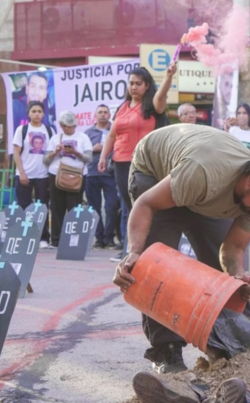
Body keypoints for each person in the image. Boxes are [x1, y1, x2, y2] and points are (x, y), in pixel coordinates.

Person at [111, 125, 250, 403]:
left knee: (225, 280)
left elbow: (231, 250)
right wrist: (134, 252)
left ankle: (237, 348)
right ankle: (167, 355)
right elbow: (146, 204)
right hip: (158, 173)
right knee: (157, 267)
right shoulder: (204, 173)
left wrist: (238, 277)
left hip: (204, 192)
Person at [98, 65, 176, 262]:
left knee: (142, 205)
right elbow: (112, 135)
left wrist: (168, 77)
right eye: (131, 83)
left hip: (143, 164)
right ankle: (129, 248)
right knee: (127, 206)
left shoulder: (152, 106)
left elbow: (161, 96)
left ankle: (142, 250)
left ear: (146, 85)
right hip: (120, 162)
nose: (133, 87)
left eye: (138, 84)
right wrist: (102, 157)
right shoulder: (122, 108)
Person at [45, 111, 93, 247]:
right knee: (56, 208)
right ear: (61, 125)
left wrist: (76, 152)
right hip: (56, 174)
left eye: (71, 126)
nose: (69, 129)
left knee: (74, 208)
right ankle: (56, 240)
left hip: (77, 175)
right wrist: (55, 151)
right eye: (66, 126)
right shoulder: (55, 138)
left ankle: (73, 240)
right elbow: (46, 160)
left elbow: (89, 158)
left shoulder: (83, 137)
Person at [13, 100, 54, 246]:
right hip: (25, 174)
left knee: (42, 207)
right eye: (34, 111)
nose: (37, 114)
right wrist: (22, 173)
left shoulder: (49, 131)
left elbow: (52, 153)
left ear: (43, 114)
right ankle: (24, 236)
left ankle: (43, 237)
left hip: (43, 175)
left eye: (39, 111)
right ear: (29, 113)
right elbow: (16, 153)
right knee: (24, 207)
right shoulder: (22, 130)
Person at [84, 105, 120, 250]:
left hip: (110, 174)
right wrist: (93, 149)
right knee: (94, 208)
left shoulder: (115, 130)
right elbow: (82, 152)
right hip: (92, 173)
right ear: (95, 115)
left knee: (111, 207)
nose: (103, 115)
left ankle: (109, 237)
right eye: (100, 112)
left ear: (110, 114)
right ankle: (99, 238)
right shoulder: (87, 133)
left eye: (105, 112)